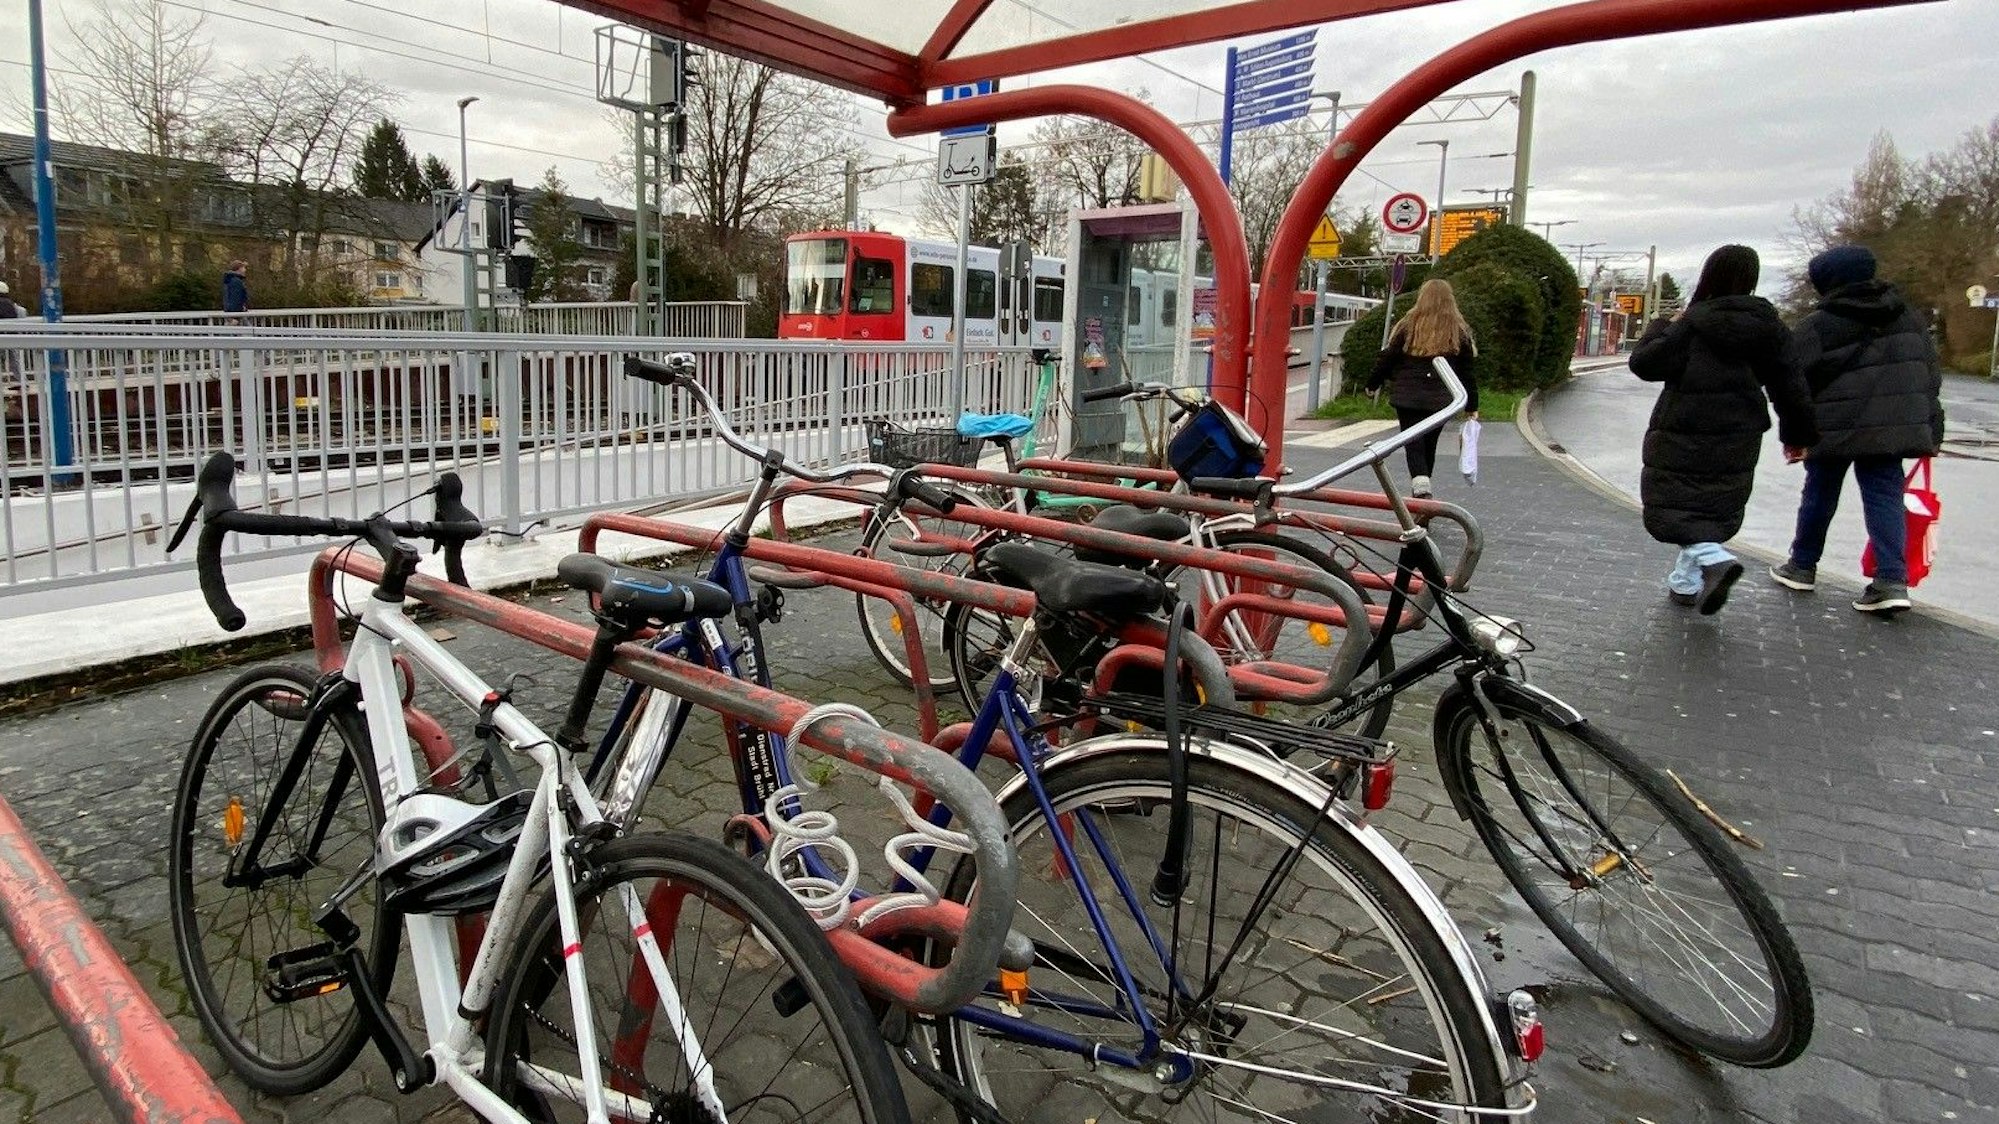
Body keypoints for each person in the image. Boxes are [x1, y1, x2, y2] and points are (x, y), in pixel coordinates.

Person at [1629, 244, 1817, 615]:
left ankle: (1714, 560)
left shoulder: (1693, 323)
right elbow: (1790, 385)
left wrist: (1661, 326)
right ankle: (1686, 583)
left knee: (1674, 506)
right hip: (1740, 430)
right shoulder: (1770, 328)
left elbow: (1646, 364)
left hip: (1683, 426)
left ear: (1709, 276)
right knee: (1712, 506)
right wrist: (1798, 436)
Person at [1769, 245, 1944, 615]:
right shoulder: (1908, 318)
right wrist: (1932, 428)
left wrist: (1794, 435)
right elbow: (1929, 377)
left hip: (1832, 426)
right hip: (1890, 430)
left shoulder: (1819, 324)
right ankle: (1891, 581)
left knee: (1819, 494)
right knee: (1885, 498)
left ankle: (1802, 566)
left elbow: (1791, 382)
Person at [1367, 278, 1477, 498]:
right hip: (1440, 400)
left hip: (1407, 396)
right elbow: (1467, 373)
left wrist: (1372, 384)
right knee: (1429, 443)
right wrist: (1472, 405)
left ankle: (1421, 488)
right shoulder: (1458, 332)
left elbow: (1388, 358)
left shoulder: (1408, 326)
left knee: (1413, 442)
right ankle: (1424, 489)